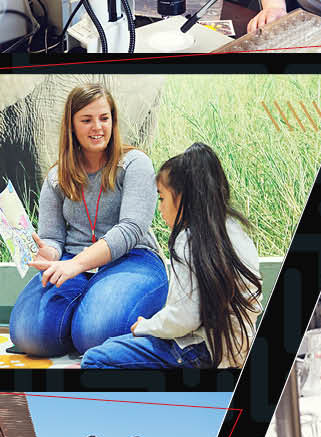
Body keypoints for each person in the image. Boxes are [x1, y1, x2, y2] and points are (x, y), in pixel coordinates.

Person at [9, 84, 168, 359]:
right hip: (73, 262)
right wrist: (49, 252)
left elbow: (132, 229)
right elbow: (53, 237)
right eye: (86, 120)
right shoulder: (56, 177)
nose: (98, 127)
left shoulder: (135, 164)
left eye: (104, 118)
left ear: (113, 121)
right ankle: (83, 316)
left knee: (93, 334)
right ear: (71, 126)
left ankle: (89, 321)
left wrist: (76, 264)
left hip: (133, 258)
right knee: (27, 334)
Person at [81, 143, 263, 368]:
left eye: (162, 198)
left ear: (182, 198)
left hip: (197, 351)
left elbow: (185, 318)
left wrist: (146, 326)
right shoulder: (235, 230)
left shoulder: (187, 239)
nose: (160, 209)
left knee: (95, 359)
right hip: (235, 351)